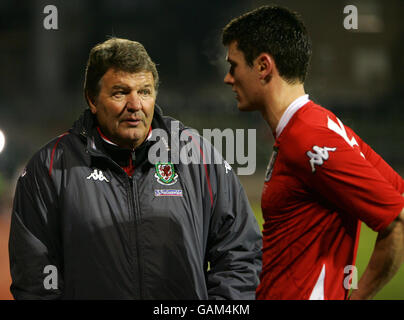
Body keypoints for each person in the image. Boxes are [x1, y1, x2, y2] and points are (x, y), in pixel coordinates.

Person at [8, 38, 262, 299]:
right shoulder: (50, 167)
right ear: (92, 100)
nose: (135, 105)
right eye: (120, 92)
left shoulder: (197, 156)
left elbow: (240, 251)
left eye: (145, 92)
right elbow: (34, 277)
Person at [221, 5, 404, 300]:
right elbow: (398, 194)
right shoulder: (320, 125)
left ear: (263, 66)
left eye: (234, 66)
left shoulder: (308, 137)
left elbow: (396, 220)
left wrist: (358, 296)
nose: (228, 78)